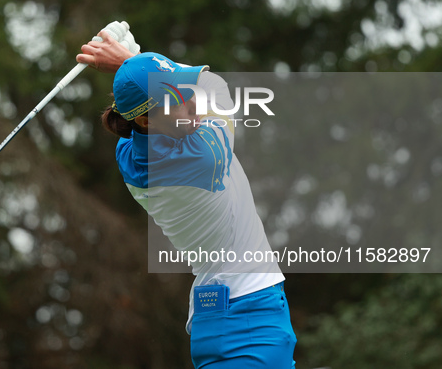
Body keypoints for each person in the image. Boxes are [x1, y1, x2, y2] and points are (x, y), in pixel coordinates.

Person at [77, 31, 296, 368]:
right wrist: (127, 62)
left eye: (184, 89)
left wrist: (137, 69)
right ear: (147, 119)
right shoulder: (203, 155)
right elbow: (217, 88)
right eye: (175, 99)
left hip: (215, 323)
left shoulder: (130, 152)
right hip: (251, 320)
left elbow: (180, 90)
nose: (191, 102)